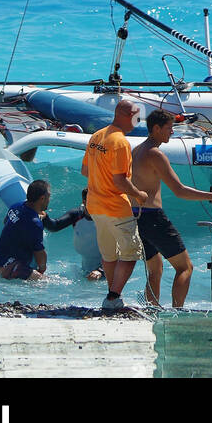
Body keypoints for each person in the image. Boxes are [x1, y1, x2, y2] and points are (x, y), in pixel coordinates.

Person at [130, 109, 212, 308]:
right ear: (156, 129)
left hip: (136, 216)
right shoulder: (155, 154)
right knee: (185, 267)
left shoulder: (137, 150)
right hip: (153, 217)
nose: (171, 132)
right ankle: (177, 311)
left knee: (155, 271)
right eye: (168, 128)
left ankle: (152, 310)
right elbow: (179, 190)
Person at [81, 97, 151, 313]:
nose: (138, 121)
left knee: (109, 255)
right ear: (129, 116)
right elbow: (120, 180)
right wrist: (139, 194)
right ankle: (113, 296)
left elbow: (85, 171)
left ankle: (111, 298)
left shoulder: (97, 136)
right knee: (131, 254)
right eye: (137, 117)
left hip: (95, 206)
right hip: (115, 207)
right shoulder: (120, 142)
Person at [0, 179, 51, 280]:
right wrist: (42, 270)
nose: (49, 199)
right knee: (45, 281)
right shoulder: (35, 223)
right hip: (9, 267)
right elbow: (40, 255)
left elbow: (6, 222)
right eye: (49, 196)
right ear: (42, 198)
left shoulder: (16, 207)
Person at [42, 189, 103, 279]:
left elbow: (117, 249)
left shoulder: (106, 218)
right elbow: (55, 226)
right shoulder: (77, 215)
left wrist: (101, 270)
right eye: (92, 203)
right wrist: (44, 216)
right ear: (84, 202)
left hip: (107, 269)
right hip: (87, 270)